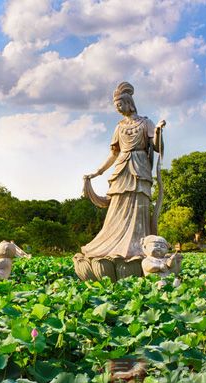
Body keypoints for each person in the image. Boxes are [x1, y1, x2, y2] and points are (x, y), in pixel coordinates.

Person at [82, 82, 165, 260]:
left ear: (128, 103)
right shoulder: (119, 127)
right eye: (116, 106)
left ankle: (138, 245)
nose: (118, 109)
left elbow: (156, 147)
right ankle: (112, 244)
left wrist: (157, 130)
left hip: (140, 167)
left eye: (120, 105)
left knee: (139, 203)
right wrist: (97, 172)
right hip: (122, 167)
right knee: (117, 204)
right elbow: (113, 154)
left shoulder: (146, 122)